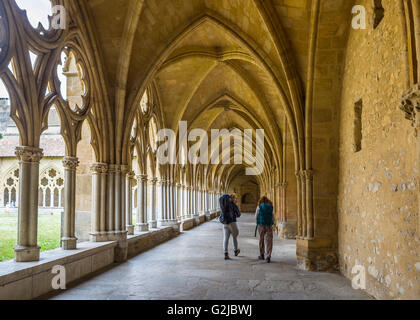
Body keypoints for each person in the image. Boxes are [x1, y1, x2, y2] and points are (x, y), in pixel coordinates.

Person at [219, 193, 241, 260]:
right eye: (235, 198)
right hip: (232, 222)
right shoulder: (233, 204)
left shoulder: (224, 204)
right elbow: (238, 214)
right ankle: (236, 250)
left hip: (225, 223)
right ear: (233, 198)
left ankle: (225, 253)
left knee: (226, 238)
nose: (236, 199)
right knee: (235, 236)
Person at [255, 196, 274, 263]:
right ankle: (268, 256)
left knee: (261, 239)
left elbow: (256, 216)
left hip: (261, 224)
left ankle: (262, 254)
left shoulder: (259, 206)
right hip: (269, 225)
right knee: (269, 240)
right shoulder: (270, 206)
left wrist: (258, 222)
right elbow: (272, 215)